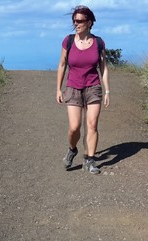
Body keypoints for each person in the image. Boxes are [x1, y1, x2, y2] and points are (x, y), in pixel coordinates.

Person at [55, 5, 110, 174]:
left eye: (79, 21)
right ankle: (72, 149)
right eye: (74, 21)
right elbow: (62, 64)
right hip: (73, 87)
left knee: (92, 124)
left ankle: (90, 160)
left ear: (89, 22)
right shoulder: (68, 41)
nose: (76, 24)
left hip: (93, 87)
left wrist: (107, 91)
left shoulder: (99, 42)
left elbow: (103, 67)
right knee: (74, 127)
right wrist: (58, 89)